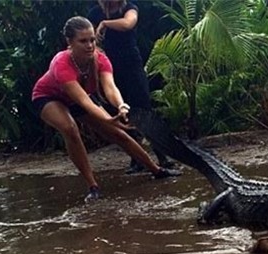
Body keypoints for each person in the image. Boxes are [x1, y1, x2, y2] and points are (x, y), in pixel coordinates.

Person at [31, 16, 180, 203]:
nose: (90, 45)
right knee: (70, 128)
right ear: (69, 42)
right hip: (49, 97)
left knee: (118, 133)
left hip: (79, 99)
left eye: (92, 39)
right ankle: (93, 186)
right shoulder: (61, 63)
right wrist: (107, 118)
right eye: (83, 41)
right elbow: (83, 100)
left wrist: (121, 106)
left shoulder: (100, 59)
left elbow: (110, 87)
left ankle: (157, 170)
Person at [87, 0, 175, 174]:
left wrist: (105, 24)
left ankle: (162, 156)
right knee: (123, 113)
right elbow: (88, 39)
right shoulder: (95, 13)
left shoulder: (130, 8)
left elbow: (128, 23)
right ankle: (137, 160)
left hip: (132, 65)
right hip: (109, 69)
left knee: (144, 110)